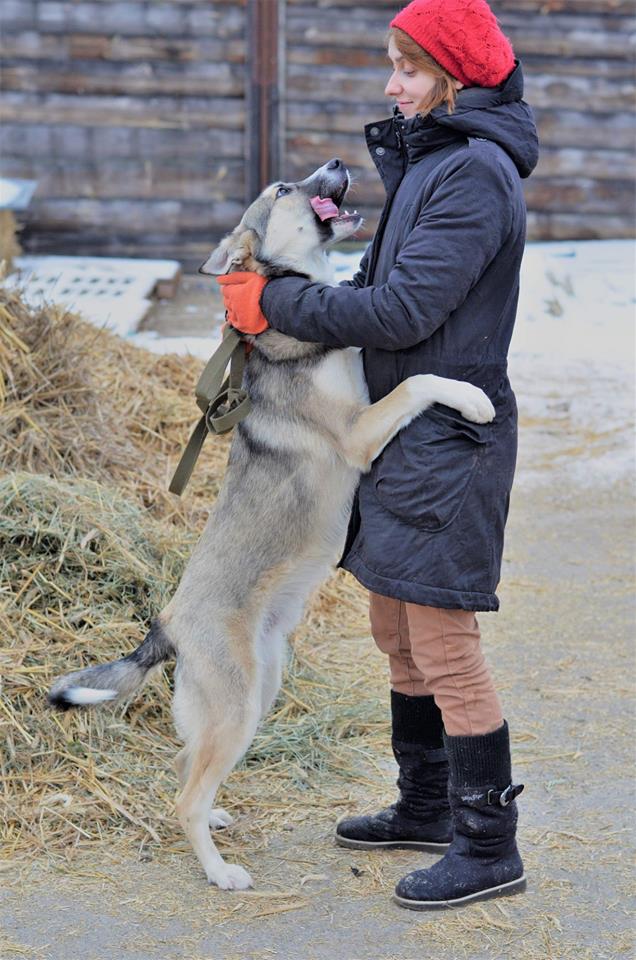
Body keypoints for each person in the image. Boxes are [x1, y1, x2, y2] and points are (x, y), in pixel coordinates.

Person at [219, 0, 538, 910]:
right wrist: (281, 301)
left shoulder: (473, 174)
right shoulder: (435, 160)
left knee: (442, 639)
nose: (389, 85)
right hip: (406, 429)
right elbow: (372, 285)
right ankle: (428, 803)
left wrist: (271, 308)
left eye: (405, 67)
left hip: (452, 437)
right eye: (391, 65)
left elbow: (402, 313)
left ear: (454, 77)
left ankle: (488, 844)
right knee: (393, 627)